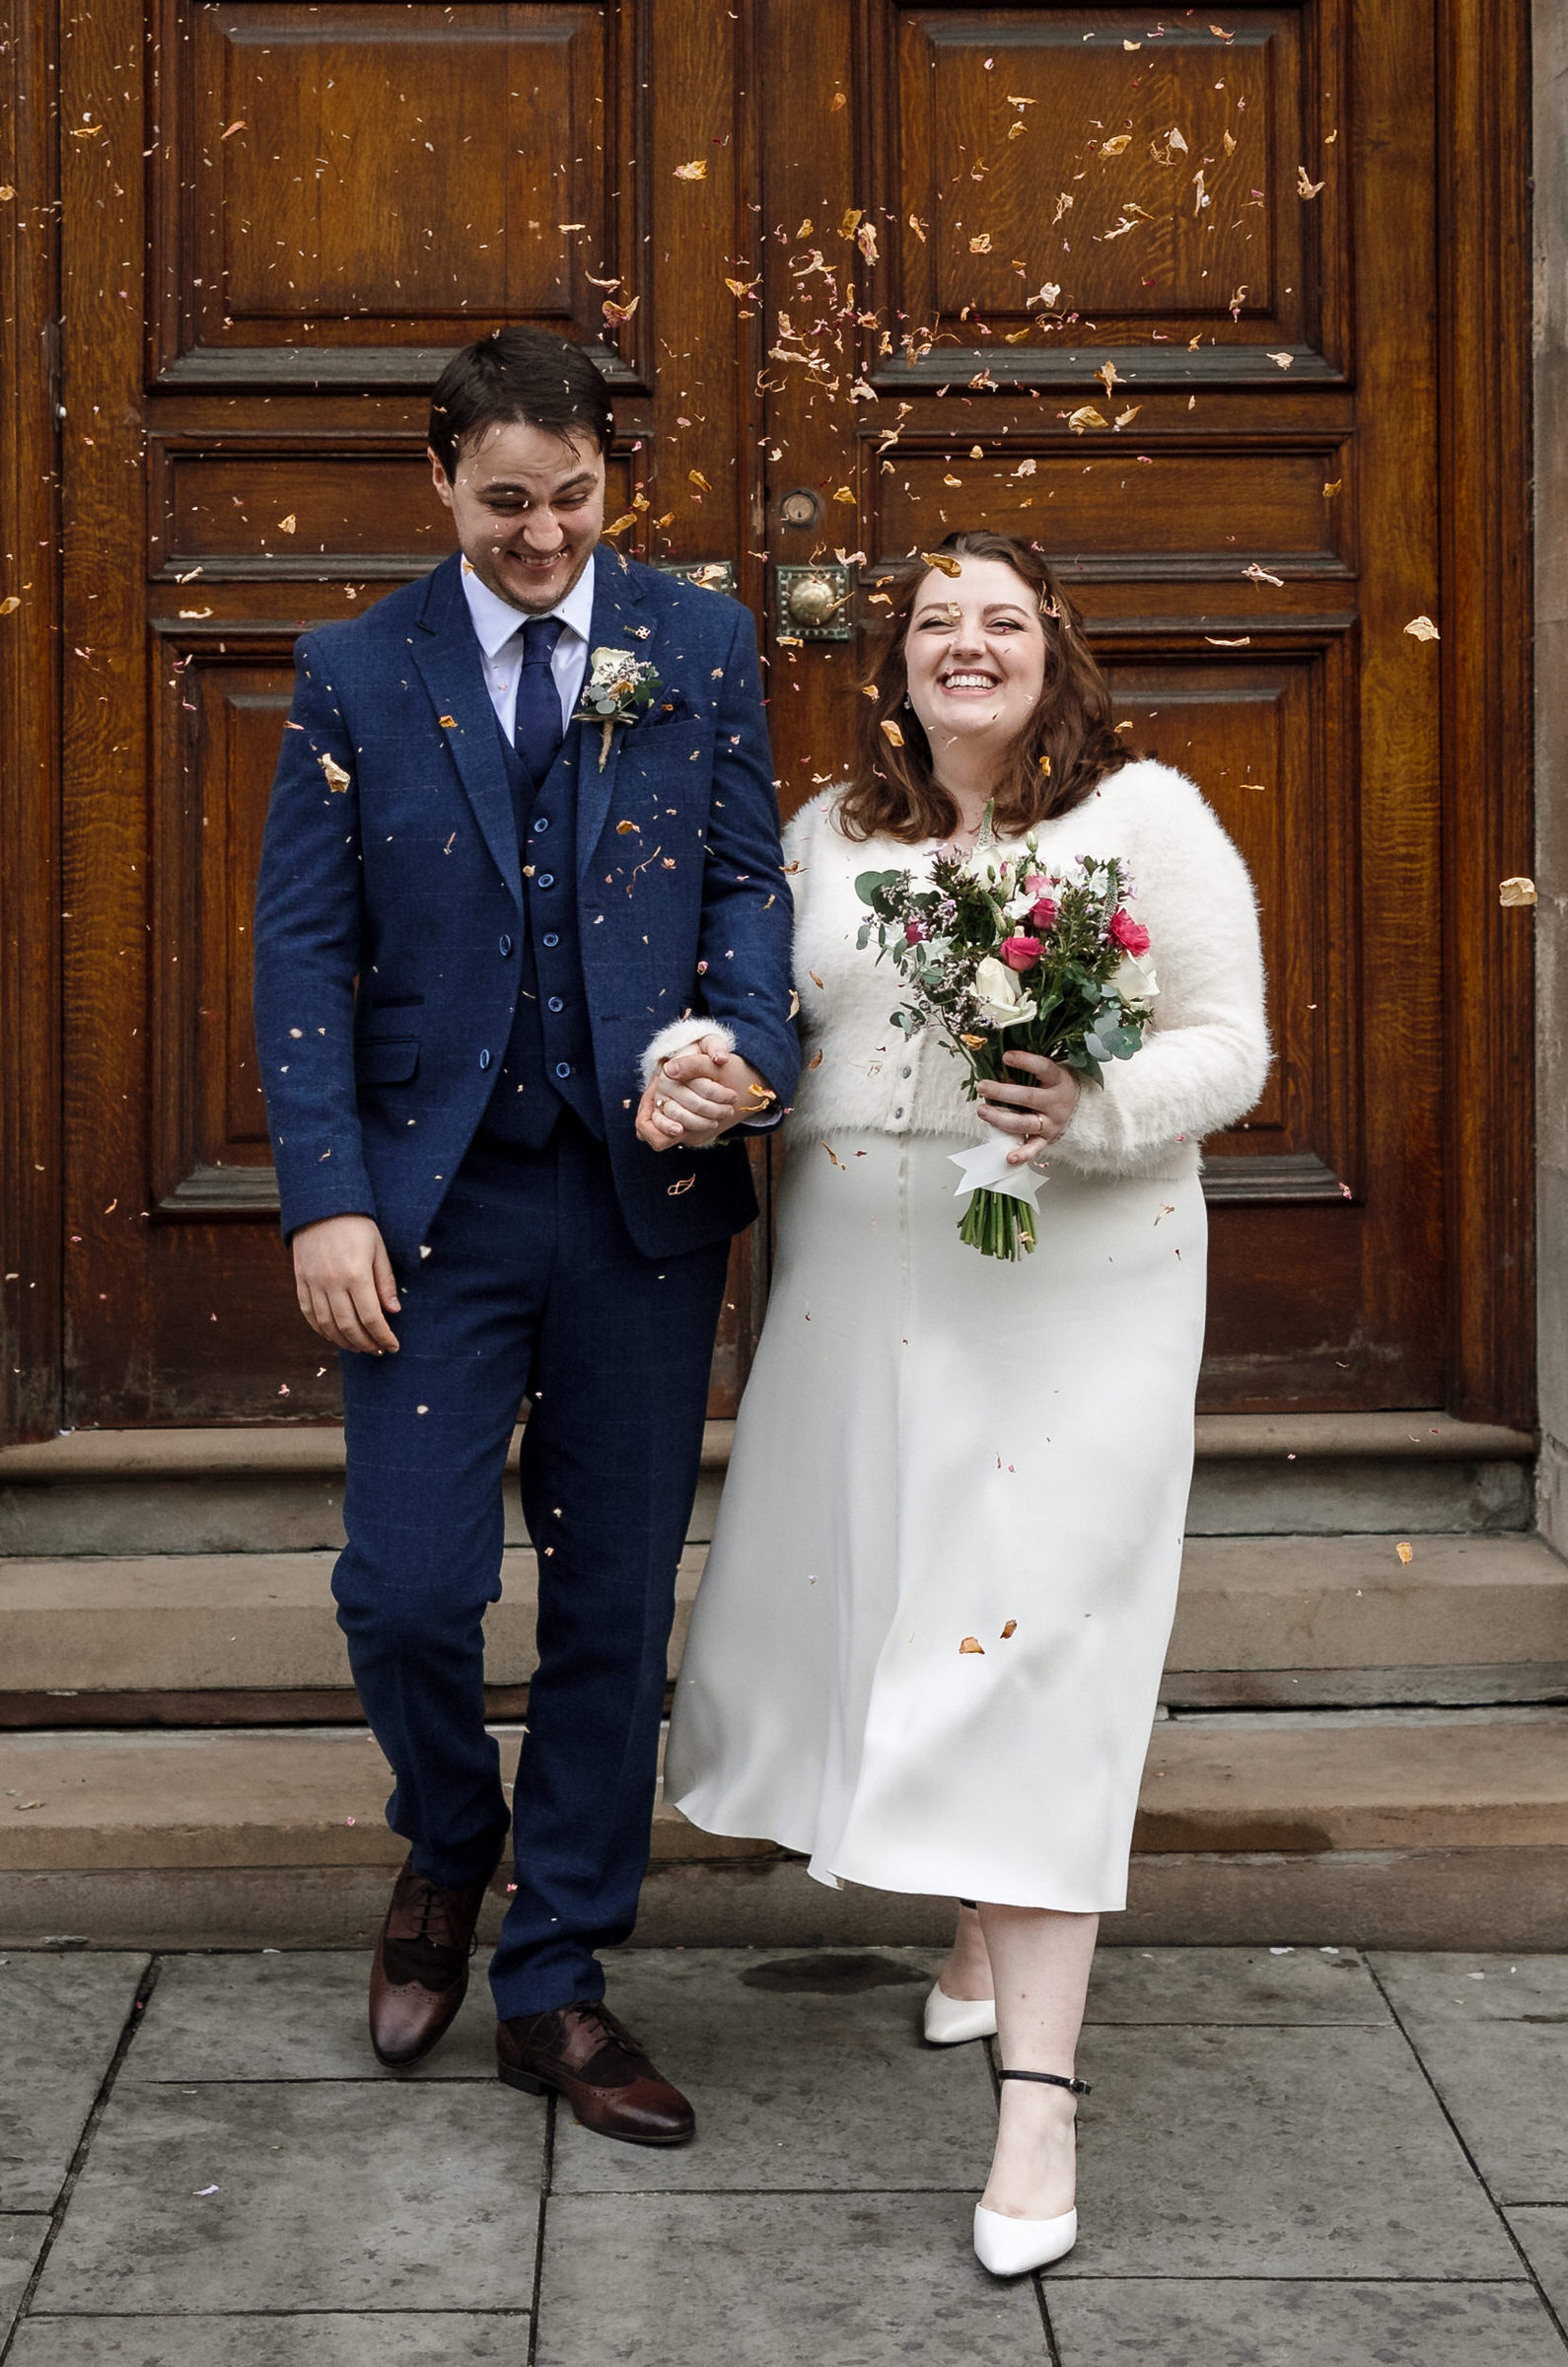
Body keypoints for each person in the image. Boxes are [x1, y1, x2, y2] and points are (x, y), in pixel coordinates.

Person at [644, 531, 1268, 2267]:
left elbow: (1233, 1043)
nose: (966, 647)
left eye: (1002, 620)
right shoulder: (831, 838)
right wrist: (696, 1066)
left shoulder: (1143, 818)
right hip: (861, 1287)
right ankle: (987, 1930)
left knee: (1038, 1648)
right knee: (897, 1620)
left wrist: (1100, 1097)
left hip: (1079, 1290)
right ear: (899, 661)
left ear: (1054, 649)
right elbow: (756, 1021)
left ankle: (1039, 2114)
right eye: (937, 624)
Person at [252, 325, 797, 2145]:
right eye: (506, 503)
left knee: (613, 1601)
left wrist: (744, 1051)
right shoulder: (351, 668)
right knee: (407, 1588)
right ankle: (444, 1841)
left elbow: (742, 880)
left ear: (607, 480)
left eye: (573, 498)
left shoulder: (699, 644)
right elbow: (304, 952)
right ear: (440, 481)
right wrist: (327, 1192)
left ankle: (553, 1978)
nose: (544, 534)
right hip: (432, 1200)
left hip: (641, 1204)